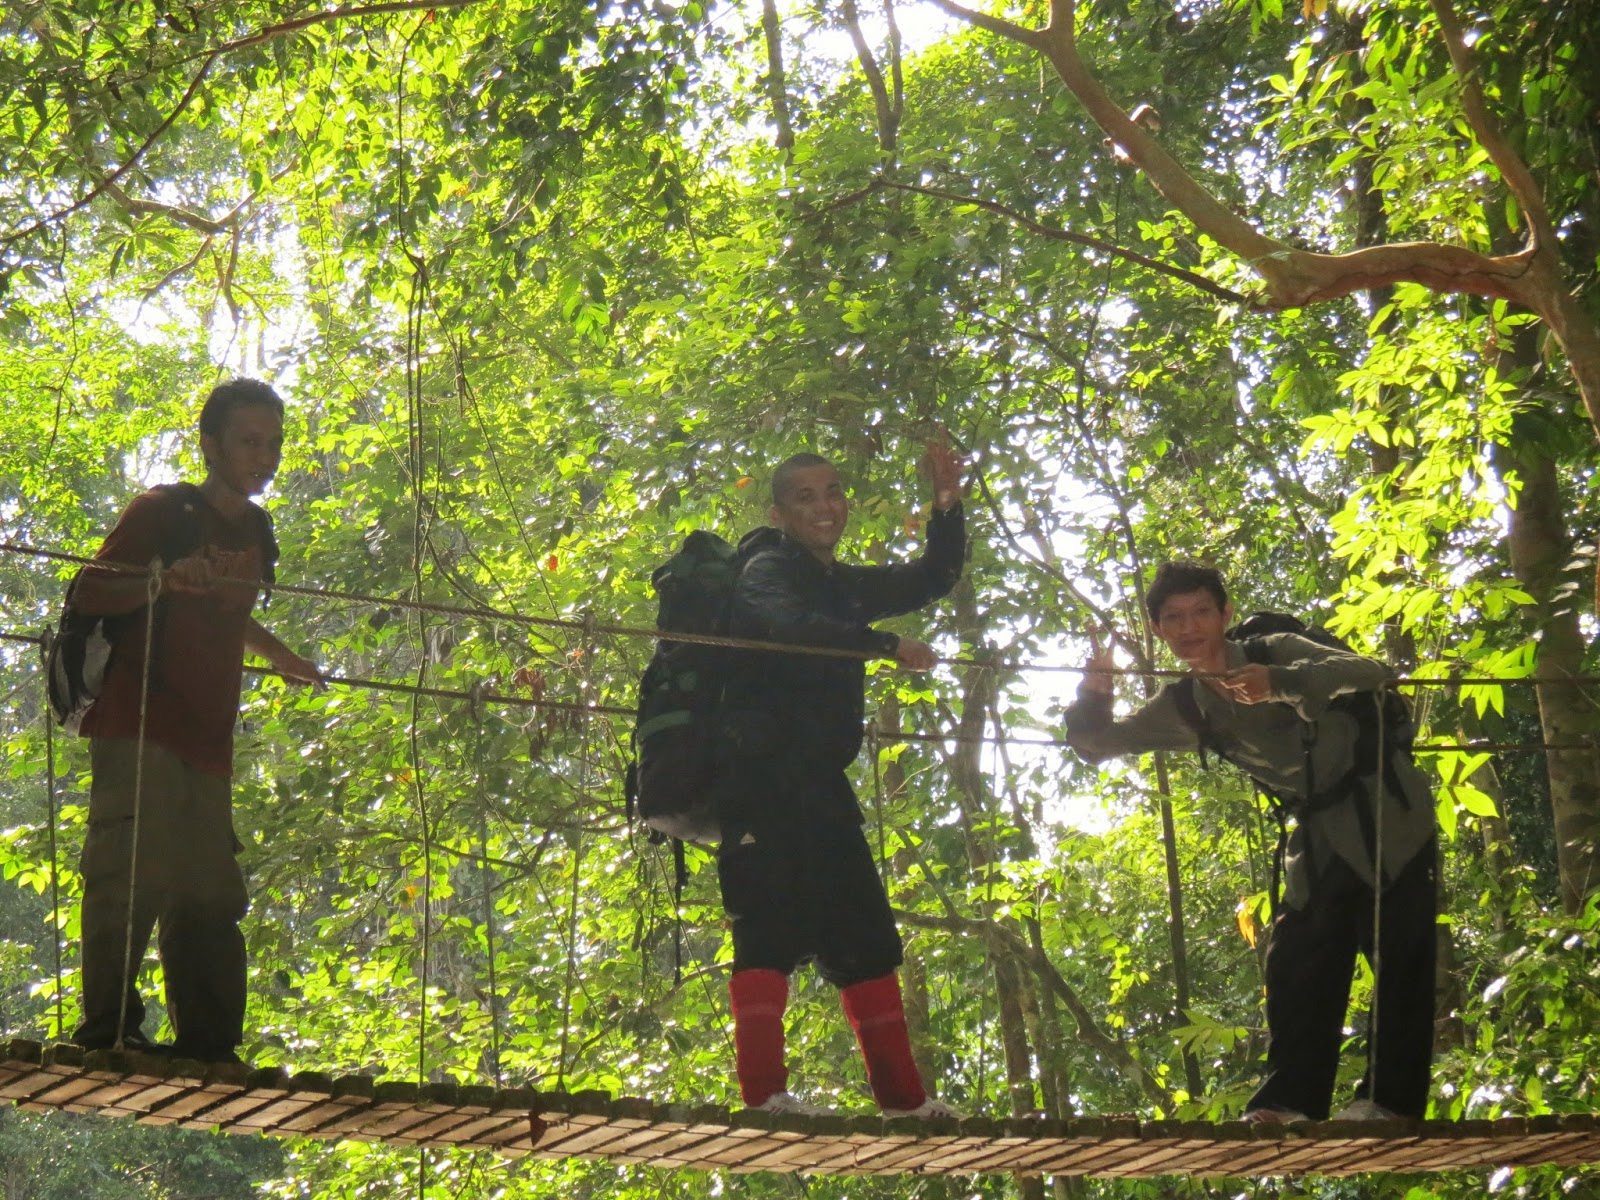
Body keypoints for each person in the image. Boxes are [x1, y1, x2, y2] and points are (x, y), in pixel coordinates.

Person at [1061, 561, 1437, 1123]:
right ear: (1158, 630)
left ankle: (1389, 1104)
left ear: (1225, 614)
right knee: (1298, 958)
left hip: (1387, 811)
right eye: (1173, 618)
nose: (1189, 627)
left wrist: (1280, 683)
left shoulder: (1274, 650)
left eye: (1201, 612)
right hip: (1316, 835)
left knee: (1398, 949)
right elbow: (1098, 744)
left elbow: (1373, 672)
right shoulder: (1187, 704)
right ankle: (1291, 1104)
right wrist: (1094, 693)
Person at [69, 378, 321, 1062]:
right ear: (210, 445)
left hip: (207, 739)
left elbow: (229, 612)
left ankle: (209, 1045)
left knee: (208, 887)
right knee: (131, 869)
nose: (264, 457)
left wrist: (280, 655)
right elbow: (90, 587)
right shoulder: (163, 511)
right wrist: (163, 578)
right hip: (140, 720)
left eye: (273, 443)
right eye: (249, 441)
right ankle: (108, 1030)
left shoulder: (256, 530)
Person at [714, 441, 966, 1118]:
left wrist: (946, 505)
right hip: (758, 778)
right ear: (779, 514)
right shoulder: (766, 567)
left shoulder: (841, 585)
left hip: (819, 784)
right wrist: (884, 644)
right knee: (767, 925)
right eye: (806, 497)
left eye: (833, 492)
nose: (825, 507)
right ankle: (763, 1097)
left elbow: (931, 577)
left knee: (863, 932)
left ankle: (904, 1103)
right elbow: (786, 625)